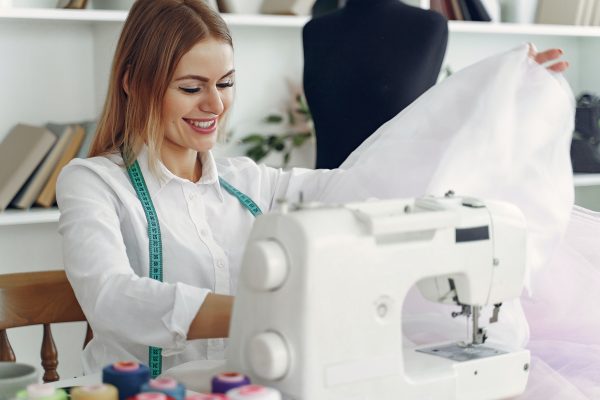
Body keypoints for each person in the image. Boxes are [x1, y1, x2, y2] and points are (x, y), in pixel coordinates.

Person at [56, 0, 571, 379]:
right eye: (192, 87)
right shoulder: (95, 183)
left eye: (227, 83)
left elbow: (367, 187)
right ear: (133, 82)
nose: (214, 104)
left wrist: (491, 102)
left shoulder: (249, 183)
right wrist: (261, 313)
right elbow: (111, 296)